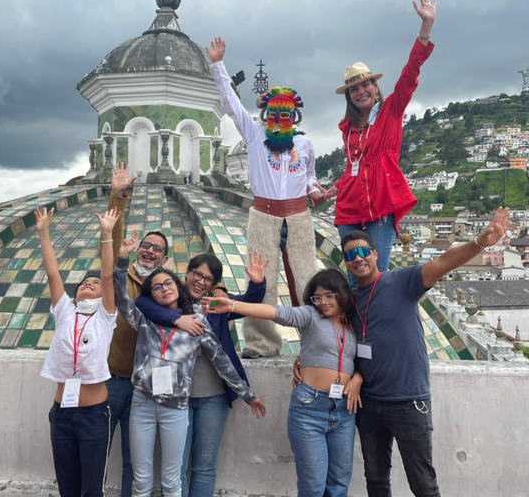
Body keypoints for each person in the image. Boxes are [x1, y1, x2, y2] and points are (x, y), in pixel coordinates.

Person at [337, 207, 512, 497]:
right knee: (376, 478)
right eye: (350, 256)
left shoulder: (401, 282)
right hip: (368, 402)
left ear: (375, 254)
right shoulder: (350, 299)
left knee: (422, 482)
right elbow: (339, 341)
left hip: (407, 401)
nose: (358, 260)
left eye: (363, 252)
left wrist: (479, 243)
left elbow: (444, 262)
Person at [114, 231, 267, 497]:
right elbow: (133, 301)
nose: (201, 281)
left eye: (208, 278)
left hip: (196, 399)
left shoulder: (208, 310)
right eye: (197, 274)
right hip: (155, 400)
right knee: (156, 476)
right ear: (187, 273)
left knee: (194, 469)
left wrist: (257, 286)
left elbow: (224, 352)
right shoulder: (152, 310)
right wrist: (177, 319)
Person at [207, 36, 322, 358]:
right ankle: (260, 343)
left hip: (299, 216)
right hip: (262, 215)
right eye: (273, 115)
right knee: (263, 280)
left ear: (294, 118)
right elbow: (229, 103)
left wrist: (315, 190)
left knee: (307, 278)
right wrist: (218, 64)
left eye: (284, 116)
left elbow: (309, 176)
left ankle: (316, 339)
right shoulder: (255, 135)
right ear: (265, 116)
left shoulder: (305, 144)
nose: (278, 121)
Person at [204, 269, 363, 497]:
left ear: (342, 294)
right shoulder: (310, 315)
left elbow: (363, 359)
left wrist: (357, 377)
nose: (323, 302)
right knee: (313, 486)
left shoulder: (352, 325)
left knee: (339, 483)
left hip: (344, 410)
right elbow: (276, 313)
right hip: (310, 406)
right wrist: (231, 306)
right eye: (317, 297)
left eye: (329, 295)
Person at [322, 0, 437, 285]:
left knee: (374, 276)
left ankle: (373, 330)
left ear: (375, 86)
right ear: (349, 96)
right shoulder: (348, 129)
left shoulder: (390, 111)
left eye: (366, 85)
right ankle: (349, 332)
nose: (361, 91)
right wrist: (330, 191)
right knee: (351, 279)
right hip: (348, 208)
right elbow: (352, 170)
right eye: (354, 89)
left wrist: (425, 29)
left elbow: (410, 74)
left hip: (381, 206)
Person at [103, 162, 177, 497]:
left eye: (156, 249)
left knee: (136, 463)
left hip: (146, 389)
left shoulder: (168, 289)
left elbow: (203, 293)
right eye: (145, 245)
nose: (148, 250)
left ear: (164, 259)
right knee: (97, 454)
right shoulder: (120, 276)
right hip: (113, 380)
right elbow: (111, 239)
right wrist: (118, 197)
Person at [37, 206, 120, 497]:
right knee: (67, 489)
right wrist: (43, 232)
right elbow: (52, 273)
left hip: (94, 416)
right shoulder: (65, 313)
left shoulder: (105, 317)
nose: (89, 283)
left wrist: (106, 234)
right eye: (85, 281)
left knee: (91, 491)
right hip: (61, 415)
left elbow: (108, 276)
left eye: (94, 283)